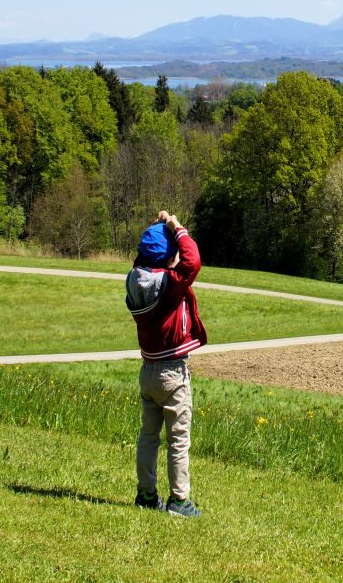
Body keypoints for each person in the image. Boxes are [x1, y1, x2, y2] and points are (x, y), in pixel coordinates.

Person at [125, 210, 207, 517]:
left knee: (148, 436)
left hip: (147, 371)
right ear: (168, 257)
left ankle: (146, 495)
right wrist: (175, 226)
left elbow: (145, 259)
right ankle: (179, 501)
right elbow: (193, 261)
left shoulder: (134, 279)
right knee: (177, 440)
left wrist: (160, 229)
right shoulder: (170, 286)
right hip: (172, 372)